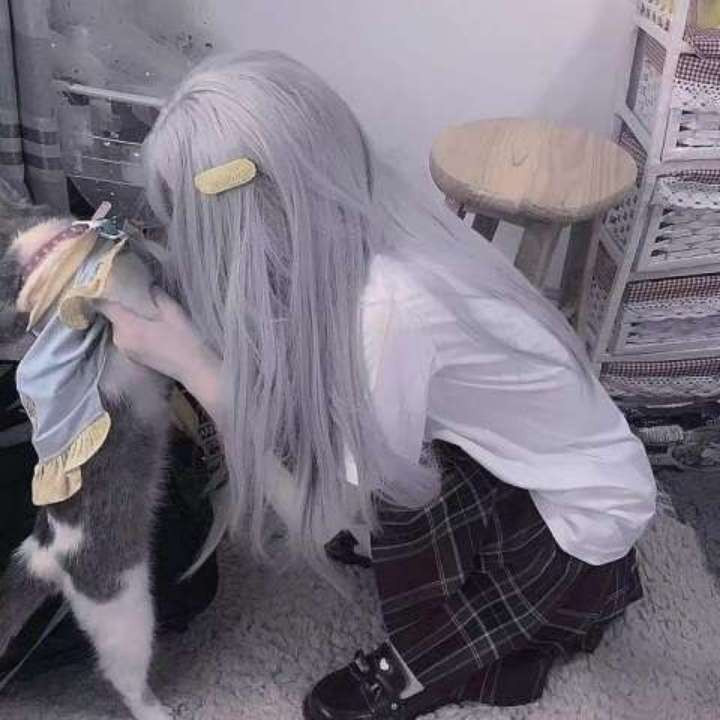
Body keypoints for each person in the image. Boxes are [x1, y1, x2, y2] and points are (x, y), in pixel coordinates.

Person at [99, 51, 656, 719]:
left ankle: (421, 670)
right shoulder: (358, 231)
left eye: (192, 229)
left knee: (396, 534)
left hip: (580, 515)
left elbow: (322, 517)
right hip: (525, 459)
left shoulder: (387, 312)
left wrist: (194, 367)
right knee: (381, 478)